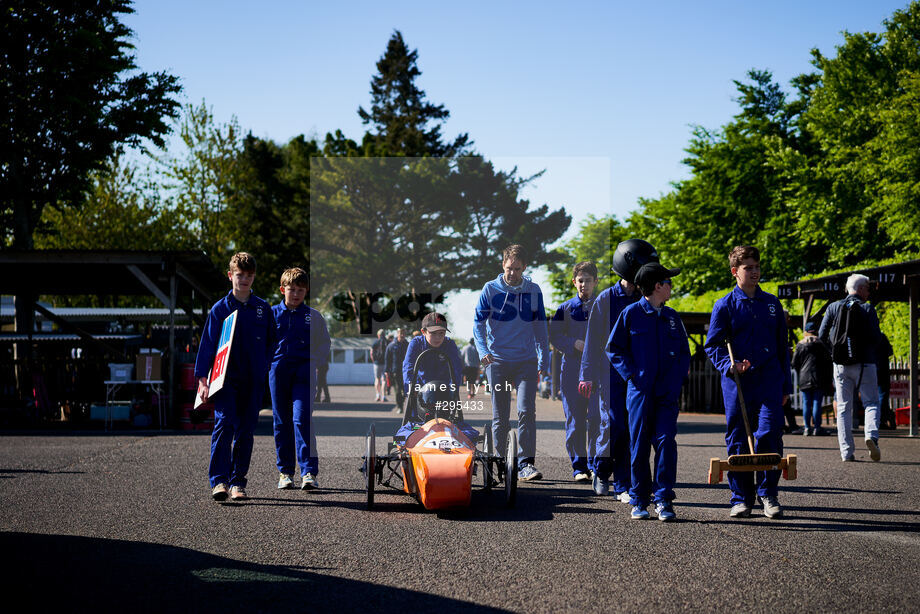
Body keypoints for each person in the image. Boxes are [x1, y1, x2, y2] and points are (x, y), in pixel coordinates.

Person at [705, 245, 791, 519]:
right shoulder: (724, 305)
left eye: (757, 267)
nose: (754, 272)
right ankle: (741, 498)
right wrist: (729, 365)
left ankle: (768, 494)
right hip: (737, 383)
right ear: (735, 272)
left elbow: (782, 348)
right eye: (748, 268)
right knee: (739, 438)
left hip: (769, 381)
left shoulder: (772, 304)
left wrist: (786, 387)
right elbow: (713, 345)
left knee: (769, 433)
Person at [607, 262, 689, 521]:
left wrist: (675, 382)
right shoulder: (630, 314)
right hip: (640, 393)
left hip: (666, 395)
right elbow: (614, 349)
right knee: (639, 444)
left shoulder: (673, 317)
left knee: (666, 441)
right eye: (668, 281)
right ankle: (639, 499)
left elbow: (685, 355)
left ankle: (664, 499)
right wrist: (632, 375)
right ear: (657, 286)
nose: (671, 285)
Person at [196, 252, 277, 502]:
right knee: (224, 424)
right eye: (240, 275)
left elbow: (273, 342)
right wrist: (202, 380)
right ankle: (219, 480)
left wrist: (263, 366)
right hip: (225, 381)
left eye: (249, 276)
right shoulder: (220, 309)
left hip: (252, 382)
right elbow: (207, 345)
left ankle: (238, 482)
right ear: (230, 275)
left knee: (245, 431)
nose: (244, 280)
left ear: (254, 277)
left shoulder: (263, 308)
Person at [579, 239, 656, 501]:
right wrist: (586, 375)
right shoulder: (605, 300)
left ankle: (623, 485)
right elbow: (592, 341)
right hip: (609, 375)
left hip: (637, 375)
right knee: (614, 426)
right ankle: (601, 471)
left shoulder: (645, 298)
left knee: (633, 428)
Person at [473, 244, 550, 482]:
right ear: (502, 265)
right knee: (501, 416)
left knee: (526, 410)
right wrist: (483, 351)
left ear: (524, 267)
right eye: (509, 268)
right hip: (497, 362)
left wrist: (543, 358)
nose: (512, 273)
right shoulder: (490, 289)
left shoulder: (534, 290)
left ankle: (525, 463)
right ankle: (500, 461)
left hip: (526, 362)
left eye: (517, 269)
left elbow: (540, 328)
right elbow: (478, 324)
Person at [268, 268, 330, 491]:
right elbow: (262, 343)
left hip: (304, 373)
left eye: (300, 290)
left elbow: (324, 344)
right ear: (282, 289)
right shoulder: (271, 314)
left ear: (306, 291)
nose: (295, 294)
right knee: (281, 421)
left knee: (302, 419)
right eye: (292, 289)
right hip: (278, 372)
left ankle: (309, 472)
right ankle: (285, 472)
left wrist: (314, 362)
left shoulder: (313, 316)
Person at [818, 273, 883, 462]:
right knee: (871, 402)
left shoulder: (833, 307)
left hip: (840, 365)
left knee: (845, 407)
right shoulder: (867, 308)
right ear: (861, 288)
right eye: (868, 288)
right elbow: (876, 338)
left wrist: (834, 353)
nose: (869, 292)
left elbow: (822, 334)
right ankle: (871, 435)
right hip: (865, 363)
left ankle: (846, 452)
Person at [549, 261, 600, 483]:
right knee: (576, 420)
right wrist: (573, 343)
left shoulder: (603, 307)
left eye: (588, 280)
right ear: (574, 282)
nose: (584, 284)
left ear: (596, 282)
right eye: (580, 280)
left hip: (598, 371)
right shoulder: (565, 308)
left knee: (597, 419)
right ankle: (579, 466)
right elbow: (554, 336)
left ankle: (595, 464)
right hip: (571, 371)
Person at [397, 312, 477, 442]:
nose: (438, 337)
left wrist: (453, 389)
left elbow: (456, 369)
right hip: (420, 394)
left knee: (448, 424)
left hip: (443, 393)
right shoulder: (416, 344)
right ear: (423, 332)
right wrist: (411, 388)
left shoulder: (449, 344)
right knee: (413, 426)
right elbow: (408, 368)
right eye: (433, 333)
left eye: (442, 333)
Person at [791, 320, 832, 436]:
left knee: (806, 403)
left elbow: (794, 363)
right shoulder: (821, 344)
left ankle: (807, 428)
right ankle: (817, 427)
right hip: (818, 377)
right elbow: (828, 361)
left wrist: (801, 370)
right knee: (816, 403)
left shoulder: (800, 344)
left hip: (804, 377)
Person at [386, 328, 410, 413]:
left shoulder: (408, 345)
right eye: (401, 334)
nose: (402, 335)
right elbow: (388, 359)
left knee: (406, 391)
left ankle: (405, 405)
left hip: (407, 372)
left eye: (404, 334)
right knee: (398, 391)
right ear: (398, 334)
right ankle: (400, 407)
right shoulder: (391, 345)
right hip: (395, 371)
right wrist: (387, 371)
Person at [370, 329, 388, 402]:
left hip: (377, 363)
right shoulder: (387, 342)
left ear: (378, 335)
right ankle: (383, 396)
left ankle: (378, 395)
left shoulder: (375, 342)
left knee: (377, 379)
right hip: (385, 363)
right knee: (384, 380)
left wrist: (373, 360)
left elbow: (371, 352)